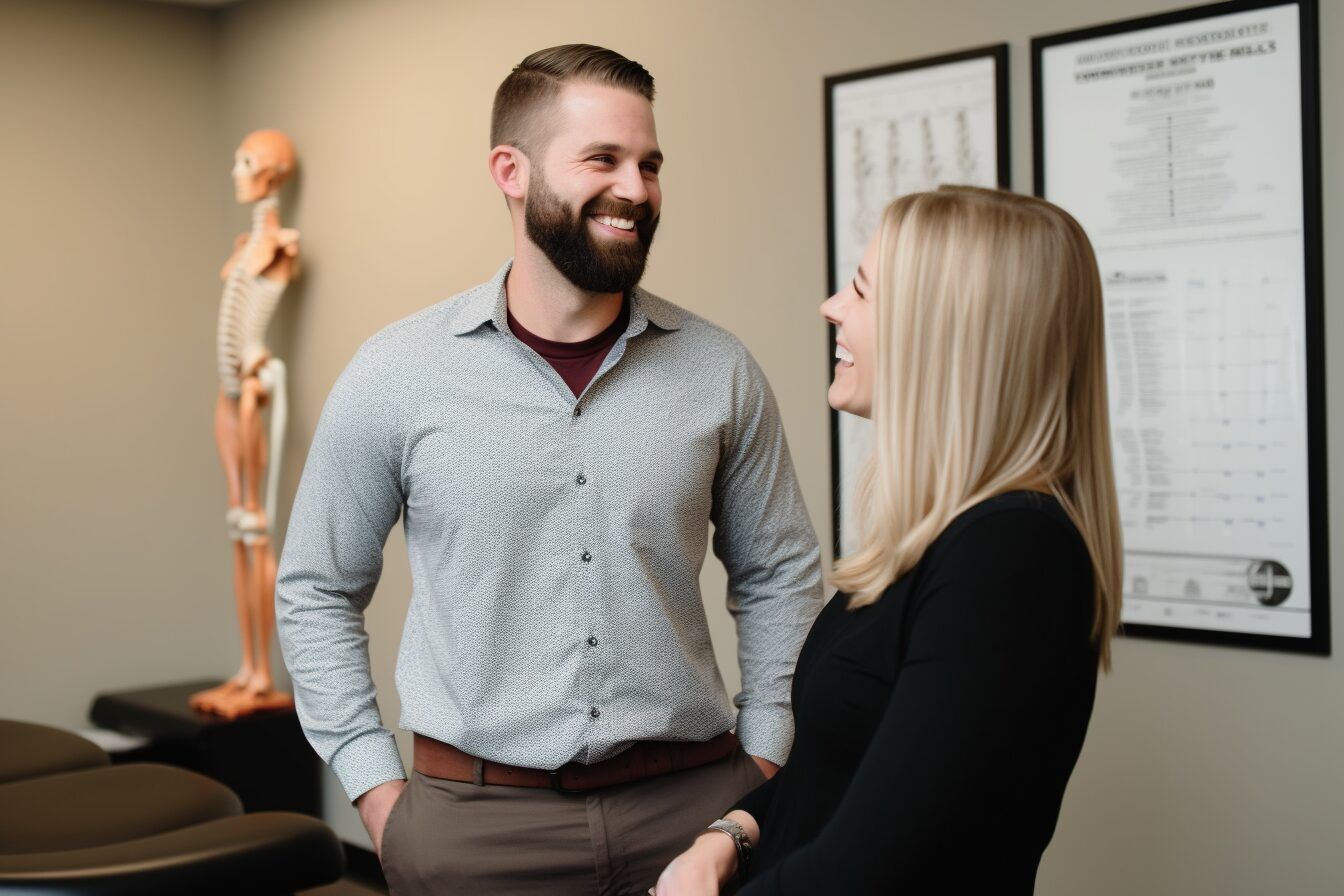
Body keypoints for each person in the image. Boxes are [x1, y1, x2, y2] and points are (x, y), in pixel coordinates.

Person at [274, 44, 823, 895]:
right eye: (602, 159)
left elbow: (780, 572)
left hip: (695, 815)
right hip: (474, 831)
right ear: (512, 171)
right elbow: (315, 587)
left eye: (649, 164)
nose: (635, 189)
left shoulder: (720, 369)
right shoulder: (396, 373)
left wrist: (765, 755)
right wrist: (377, 790)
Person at [654, 186, 1123, 895]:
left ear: (944, 333)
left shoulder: (1012, 558)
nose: (832, 307)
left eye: (863, 292)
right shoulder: (941, 540)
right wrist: (730, 838)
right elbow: (839, 775)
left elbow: (874, 865)